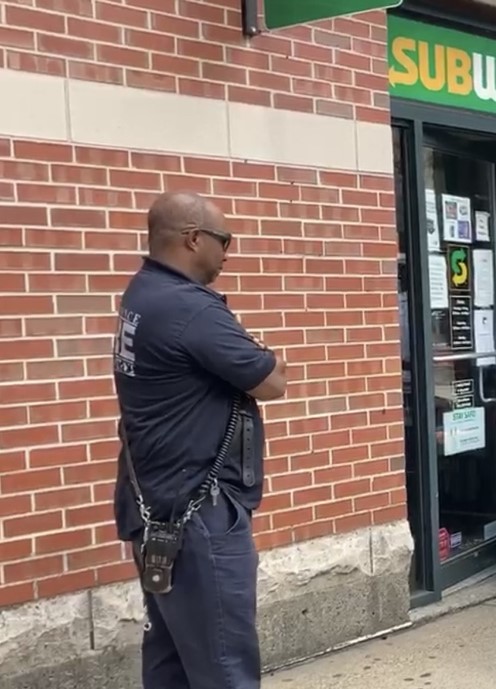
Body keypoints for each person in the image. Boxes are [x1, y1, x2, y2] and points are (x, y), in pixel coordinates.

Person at [112, 191, 289, 689]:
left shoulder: (142, 293)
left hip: (157, 509)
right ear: (193, 239)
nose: (229, 251)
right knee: (224, 670)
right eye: (224, 240)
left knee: (171, 665)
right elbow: (274, 381)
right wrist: (262, 352)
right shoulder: (188, 308)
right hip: (199, 520)